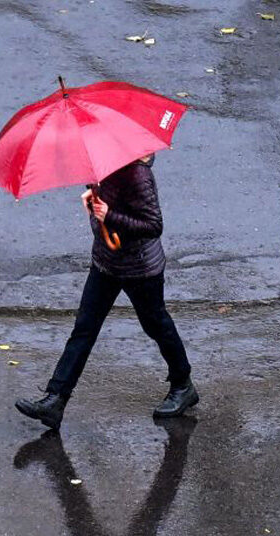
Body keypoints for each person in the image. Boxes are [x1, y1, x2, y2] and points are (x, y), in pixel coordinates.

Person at [15, 154, 198, 429]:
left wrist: (108, 215)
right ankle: (55, 400)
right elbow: (101, 226)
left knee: (156, 325)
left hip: (140, 269)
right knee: (84, 328)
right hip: (106, 263)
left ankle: (183, 385)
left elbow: (153, 225)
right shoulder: (99, 169)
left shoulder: (137, 175)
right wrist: (93, 208)